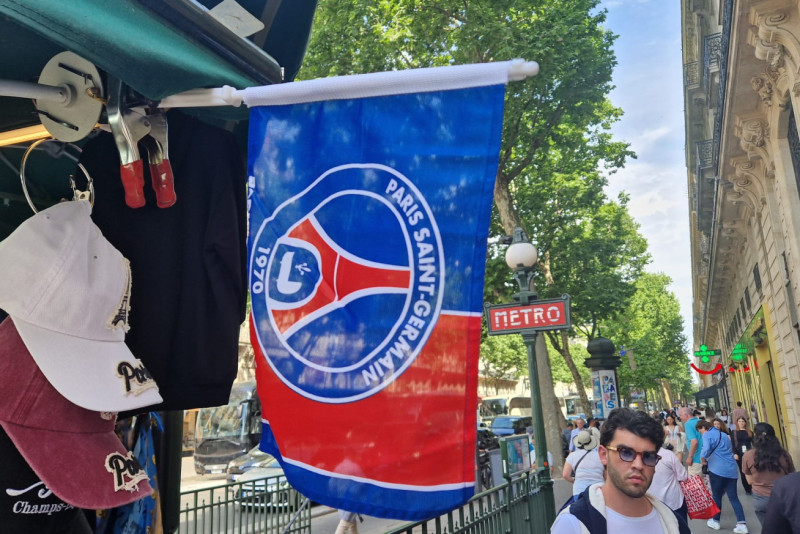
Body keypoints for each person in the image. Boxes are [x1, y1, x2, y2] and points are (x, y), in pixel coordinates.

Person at [551, 408, 690, 533]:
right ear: (603, 455)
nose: (638, 465)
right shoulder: (573, 525)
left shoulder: (674, 523)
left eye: (648, 456)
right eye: (626, 453)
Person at [697, 419, 748, 532]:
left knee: (717, 496)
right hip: (731, 469)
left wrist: (703, 459)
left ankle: (715, 521)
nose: (701, 433)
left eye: (700, 431)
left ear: (703, 428)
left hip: (717, 469)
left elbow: (705, 450)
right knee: (733, 497)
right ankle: (742, 524)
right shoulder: (724, 435)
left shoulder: (707, 435)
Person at [741, 422, 795, 526]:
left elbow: (750, 481)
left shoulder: (748, 456)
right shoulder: (784, 454)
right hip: (784, 497)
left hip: (762, 499)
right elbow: (791, 475)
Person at [561, 429, 604, 508]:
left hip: (579, 491)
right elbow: (606, 475)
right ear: (591, 441)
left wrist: (575, 481)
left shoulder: (572, 456)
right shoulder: (600, 456)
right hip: (598, 491)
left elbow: (565, 475)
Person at [647, 445, 689, 525]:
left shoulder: (638, 457)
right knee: (681, 527)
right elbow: (683, 476)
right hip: (674, 503)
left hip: (653, 505)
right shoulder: (668, 454)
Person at [730, 416, 754, 495]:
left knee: (751, 469)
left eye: (743, 421)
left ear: (745, 423)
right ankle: (747, 489)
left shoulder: (749, 432)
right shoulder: (734, 432)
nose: (741, 423)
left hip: (749, 453)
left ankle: (752, 485)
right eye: (739, 421)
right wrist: (735, 453)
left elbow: (753, 442)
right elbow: (733, 444)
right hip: (739, 453)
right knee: (743, 471)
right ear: (737, 423)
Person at [679, 407, 703, 476]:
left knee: (695, 481)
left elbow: (694, 442)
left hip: (696, 459)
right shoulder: (700, 421)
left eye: (680, 415)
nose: (680, 417)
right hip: (706, 458)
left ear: (686, 415)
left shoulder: (688, 424)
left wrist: (690, 457)